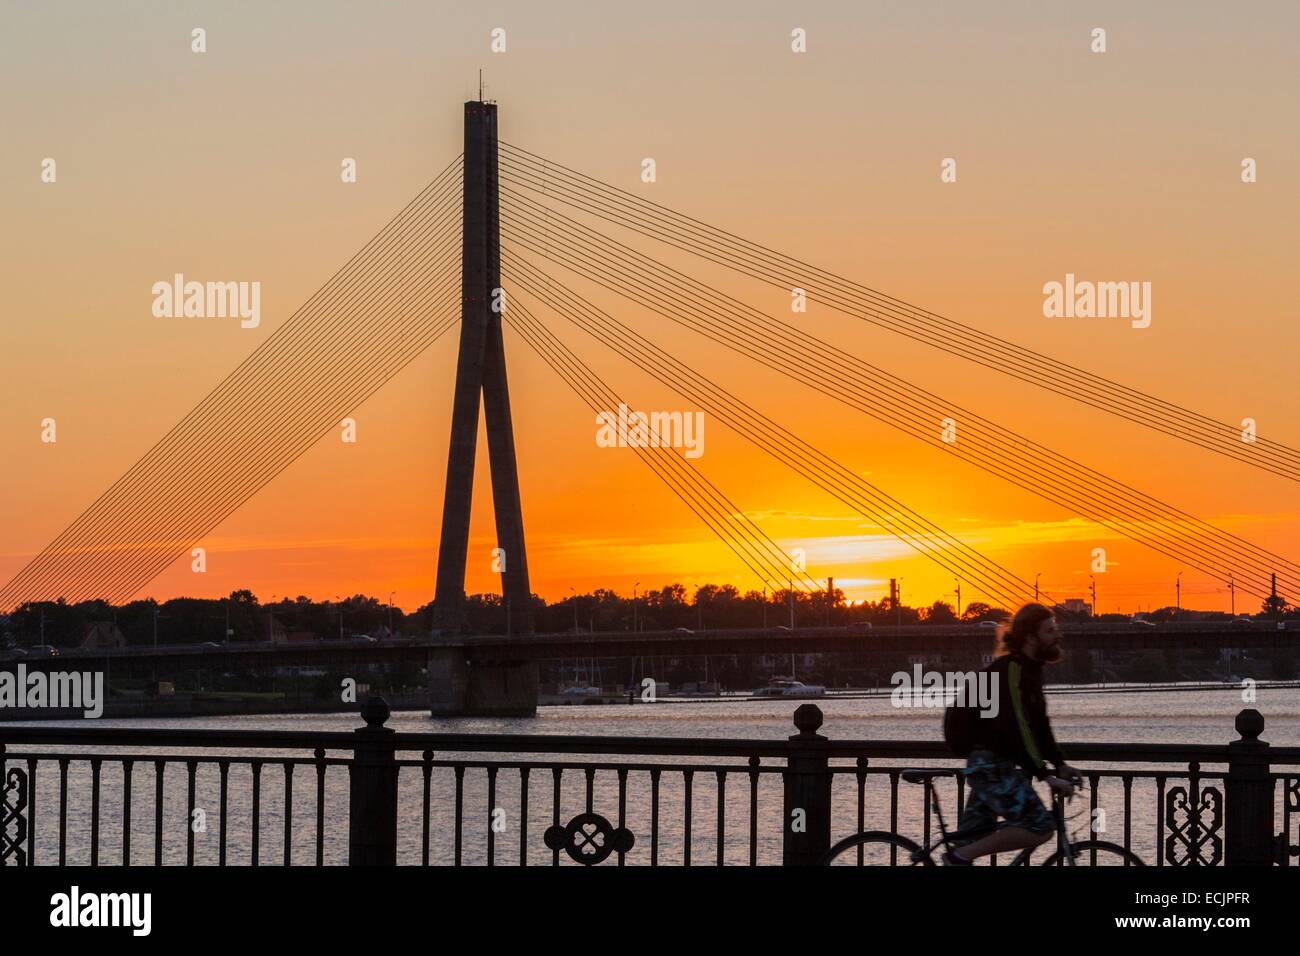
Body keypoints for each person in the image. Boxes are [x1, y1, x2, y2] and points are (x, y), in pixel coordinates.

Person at [943, 602, 1080, 865]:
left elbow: (1039, 725)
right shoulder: (1011, 671)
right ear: (1031, 638)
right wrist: (1045, 775)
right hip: (990, 767)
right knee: (1040, 825)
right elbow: (1016, 728)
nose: (1057, 636)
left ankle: (959, 855)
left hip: (991, 766)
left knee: (969, 839)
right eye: (1050, 631)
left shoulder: (1030, 670)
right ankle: (960, 856)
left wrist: (1059, 764)